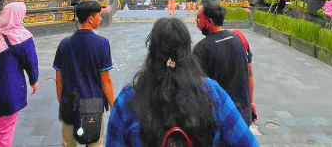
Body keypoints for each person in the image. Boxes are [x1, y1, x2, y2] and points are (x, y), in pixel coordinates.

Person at [105, 17, 259, 147]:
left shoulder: (128, 98)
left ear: (152, 53)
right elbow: (247, 143)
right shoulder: (212, 91)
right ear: (188, 51)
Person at [54, 0, 115, 147]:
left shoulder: (65, 43)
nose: (101, 18)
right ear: (90, 19)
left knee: (68, 144)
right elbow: (105, 80)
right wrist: (114, 106)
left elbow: (58, 79)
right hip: (93, 105)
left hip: (69, 104)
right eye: (99, 16)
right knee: (94, 143)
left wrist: (62, 106)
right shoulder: (102, 44)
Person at [0, 2, 39, 147]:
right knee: (3, 132)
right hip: (9, 93)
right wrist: (34, 80)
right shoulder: (22, 36)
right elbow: (31, 61)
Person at [193, 2, 257, 128]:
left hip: (222, 119)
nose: (196, 21)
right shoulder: (239, 37)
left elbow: (199, 89)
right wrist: (251, 101)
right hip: (243, 114)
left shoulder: (201, 49)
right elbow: (249, 72)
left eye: (199, 17)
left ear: (209, 21)